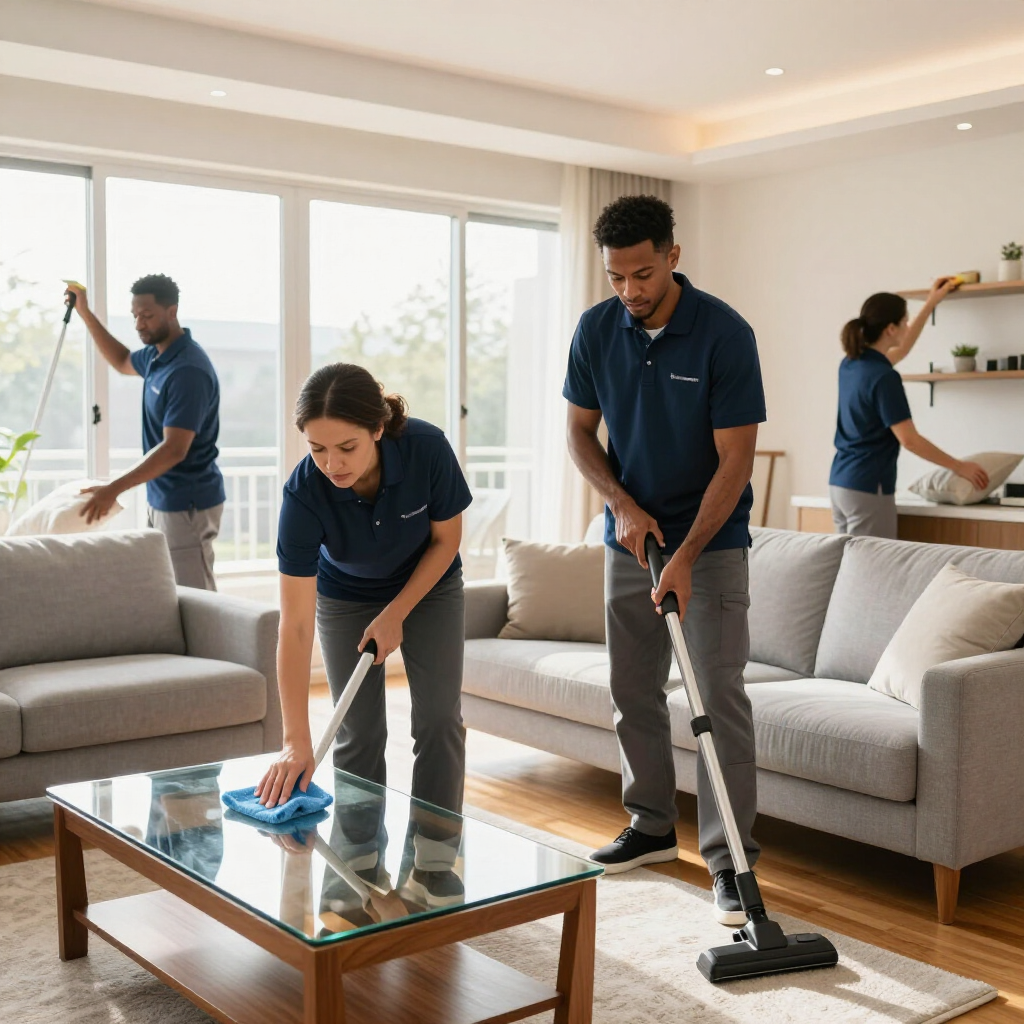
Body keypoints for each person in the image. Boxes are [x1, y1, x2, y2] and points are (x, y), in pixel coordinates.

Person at [563, 194, 765, 927]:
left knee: (717, 701)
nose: (630, 292)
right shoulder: (596, 329)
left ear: (673, 257)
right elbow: (581, 435)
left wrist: (684, 553)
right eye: (617, 277)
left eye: (642, 274)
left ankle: (731, 862)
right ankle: (650, 824)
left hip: (710, 545)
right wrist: (620, 505)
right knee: (632, 689)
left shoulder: (724, 335)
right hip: (631, 535)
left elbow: (736, 461)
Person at [256, 363, 472, 824]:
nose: (332, 464)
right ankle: (360, 856)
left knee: (438, 721)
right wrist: (295, 739)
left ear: (377, 428)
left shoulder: (426, 448)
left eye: (346, 447)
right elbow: (294, 627)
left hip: (429, 584)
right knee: (357, 731)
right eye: (317, 449)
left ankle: (435, 854)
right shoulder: (303, 494)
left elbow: (446, 540)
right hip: (346, 594)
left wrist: (397, 612)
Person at [65, 276, 226, 590]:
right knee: (170, 591)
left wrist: (114, 488)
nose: (139, 323)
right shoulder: (156, 356)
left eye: (147, 315)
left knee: (197, 597)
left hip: (188, 501)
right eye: (135, 315)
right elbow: (123, 360)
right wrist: (85, 313)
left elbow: (174, 449)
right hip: (164, 496)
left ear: (172, 311)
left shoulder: (187, 370)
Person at [830, 283, 989, 537]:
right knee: (874, 568)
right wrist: (959, 467)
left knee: (847, 567)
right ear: (890, 329)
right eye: (904, 321)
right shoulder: (884, 377)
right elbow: (910, 440)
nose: (907, 326)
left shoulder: (850, 364)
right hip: (869, 488)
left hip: (841, 484)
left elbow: (901, 350)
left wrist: (930, 303)